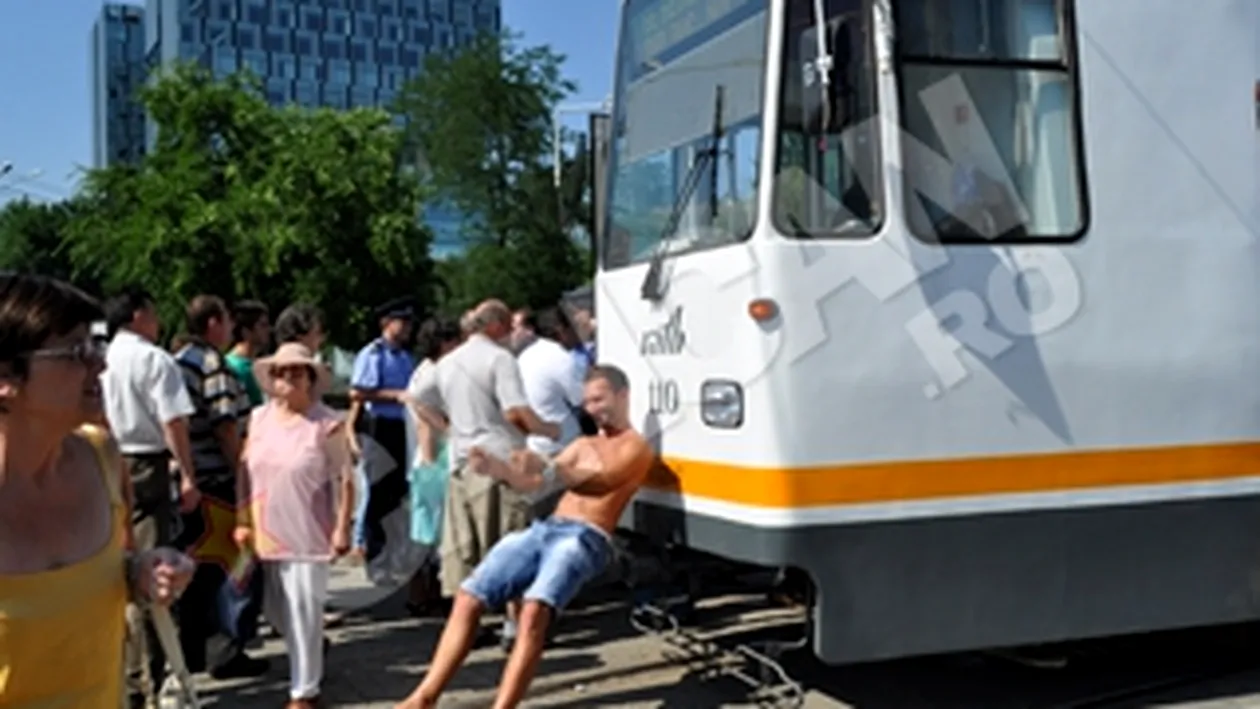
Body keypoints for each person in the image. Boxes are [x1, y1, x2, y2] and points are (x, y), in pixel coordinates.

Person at [396, 364, 652, 709]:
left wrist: (549, 466)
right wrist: (499, 469)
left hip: (587, 536)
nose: (592, 408)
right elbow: (536, 484)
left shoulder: (636, 446)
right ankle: (423, 697)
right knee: (469, 595)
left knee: (533, 611)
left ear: (623, 395)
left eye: (599, 399)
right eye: (588, 402)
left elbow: (603, 481)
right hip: (549, 527)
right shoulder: (584, 442)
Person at [0, 273, 194, 706]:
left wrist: (141, 570)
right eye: (75, 351)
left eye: (95, 344)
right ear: (6, 378)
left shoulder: (102, 456)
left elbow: (106, 570)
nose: (100, 364)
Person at [410, 299, 560, 649]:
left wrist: (448, 429)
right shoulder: (499, 359)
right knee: (513, 544)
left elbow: (417, 397)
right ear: (496, 326)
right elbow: (516, 414)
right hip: (500, 464)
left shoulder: (446, 363)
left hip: (462, 465)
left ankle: (466, 629)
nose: (510, 334)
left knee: (468, 552)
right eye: (507, 327)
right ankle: (516, 629)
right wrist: (549, 429)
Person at [235, 343, 354, 708]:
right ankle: (312, 649)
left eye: (297, 372)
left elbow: (346, 478)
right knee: (274, 608)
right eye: (281, 372)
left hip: (308, 529)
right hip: (265, 526)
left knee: (302, 609)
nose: (288, 378)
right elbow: (244, 470)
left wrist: (343, 527)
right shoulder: (259, 418)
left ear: (310, 379)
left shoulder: (326, 423)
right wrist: (242, 517)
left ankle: (304, 692)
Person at [100, 286, 202, 702]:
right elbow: (172, 421)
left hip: (104, 457)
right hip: (147, 463)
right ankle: (150, 679)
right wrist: (188, 475)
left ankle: (127, 676)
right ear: (138, 314)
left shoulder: (99, 357)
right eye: (154, 313)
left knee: (113, 567)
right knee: (152, 574)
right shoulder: (153, 359)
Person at [173, 295, 268, 679]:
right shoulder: (213, 363)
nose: (231, 327)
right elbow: (225, 424)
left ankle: (194, 648)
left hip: (195, 477)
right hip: (218, 478)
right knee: (237, 566)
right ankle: (227, 648)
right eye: (227, 319)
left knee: (199, 567)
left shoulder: (180, 360)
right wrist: (242, 471)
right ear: (214, 322)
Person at [401, 316, 463, 615]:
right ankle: (443, 600)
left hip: (425, 461)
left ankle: (421, 596)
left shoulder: (422, 372)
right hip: (434, 461)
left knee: (424, 535)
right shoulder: (435, 377)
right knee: (439, 536)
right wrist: (431, 471)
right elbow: (426, 426)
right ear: (445, 343)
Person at [349, 298, 417, 565]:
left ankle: (392, 548)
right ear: (387, 323)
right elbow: (358, 391)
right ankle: (372, 547)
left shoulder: (404, 355)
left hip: (401, 426)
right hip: (378, 424)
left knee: (397, 489)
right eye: (403, 322)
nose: (408, 328)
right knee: (377, 489)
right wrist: (396, 395)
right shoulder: (373, 353)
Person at [224, 300, 271, 409]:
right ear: (246, 332)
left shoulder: (229, 361)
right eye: (263, 325)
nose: (268, 330)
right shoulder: (242, 368)